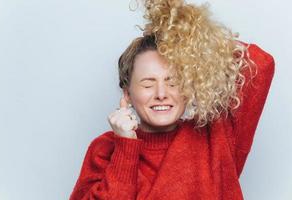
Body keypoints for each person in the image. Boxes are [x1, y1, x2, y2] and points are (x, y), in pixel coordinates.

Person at [69, 1, 275, 199]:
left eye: (174, 82)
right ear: (127, 94)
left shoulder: (215, 137)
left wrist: (186, 30)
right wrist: (125, 147)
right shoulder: (104, 149)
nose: (161, 93)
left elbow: (261, 64)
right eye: (148, 83)